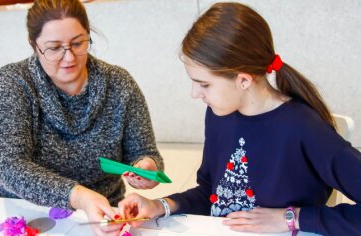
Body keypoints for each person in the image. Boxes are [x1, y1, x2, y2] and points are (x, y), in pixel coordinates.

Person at [118, 2, 361, 236]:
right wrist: (162, 205)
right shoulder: (219, 114)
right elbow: (211, 194)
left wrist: (291, 217)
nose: (195, 94)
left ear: (243, 80)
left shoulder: (305, 128)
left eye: (204, 84)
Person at [0, 0, 163, 235]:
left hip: (103, 213)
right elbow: (10, 167)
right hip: (24, 211)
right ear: (34, 45)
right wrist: (78, 196)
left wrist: (146, 167)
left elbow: (144, 151)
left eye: (78, 43)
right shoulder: (13, 83)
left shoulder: (119, 84)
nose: (69, 58)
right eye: (54, 48)